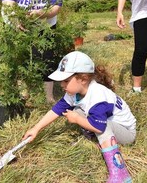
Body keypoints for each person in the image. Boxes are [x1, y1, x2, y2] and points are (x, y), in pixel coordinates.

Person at [23, 51, 136, 182]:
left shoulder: (97, 96)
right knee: (78, 110)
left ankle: (120, 172)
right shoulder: (75, 92)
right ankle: (100, 141)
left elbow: (99, 127)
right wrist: (36, 128)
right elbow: (57, 109)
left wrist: (76, 119)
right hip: (110, 125)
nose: (61, 85)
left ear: (83, 79)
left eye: (66, 81)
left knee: (99, 124)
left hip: (127, 132)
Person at [1, 0, 63, 103]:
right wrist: (16, 21)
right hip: (18, 23)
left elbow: (56, 7)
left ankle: (48, 97)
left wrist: (40, 14)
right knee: (20, 58)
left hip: (45, 25)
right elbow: (8, 4)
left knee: (47, 59)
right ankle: (23, 94)